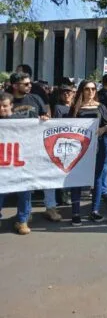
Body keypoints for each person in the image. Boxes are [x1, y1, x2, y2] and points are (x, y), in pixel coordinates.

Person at [10, 72, 60, 222]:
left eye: (29, 83)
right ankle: (26, 211)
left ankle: (51, 207)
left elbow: (46, 115)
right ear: (14, 85)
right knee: (25, 181)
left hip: (37, 145)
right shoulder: (7, 100)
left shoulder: (35, 98)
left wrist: (45, 118)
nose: (29, 86)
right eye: (25, 84)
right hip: (17, 148)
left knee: (47, 176)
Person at [67, 80, 107, 225]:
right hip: (78, 148)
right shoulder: (75, 108)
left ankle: (95, 210)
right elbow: (67, 127)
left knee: (97, 178)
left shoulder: (101, 107)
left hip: (98, 147)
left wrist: (102, 130)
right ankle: (75, 213)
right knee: (77, 178)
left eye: (93, 89)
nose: (91, 92)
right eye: (87, 89)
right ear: (82, 90)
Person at [0, 92, 33, 235]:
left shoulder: (20, 121)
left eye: (5, 106)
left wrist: (44, 120)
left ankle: (22, 220)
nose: (2, 109)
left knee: (24, 192)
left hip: (19, 164)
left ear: (11, 106)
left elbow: (36, 130)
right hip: (2, 165)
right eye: (0, 106)